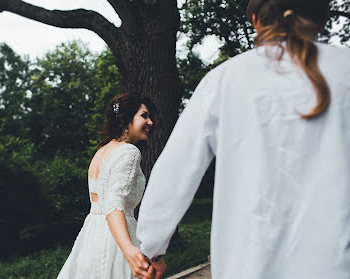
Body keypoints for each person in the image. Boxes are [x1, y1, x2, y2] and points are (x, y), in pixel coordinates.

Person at [136, 0, 350, 278]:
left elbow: (175, 171)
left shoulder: (224, 80)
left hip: (249, 263)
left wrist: (152, 248)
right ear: (322, 19)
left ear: (256, 22)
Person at [56, 93, 156, 279]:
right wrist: (128, 250)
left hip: (91, 237)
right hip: (116, 241)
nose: (150, 122)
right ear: (127, 119)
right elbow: (114, 203)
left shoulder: (102, 151)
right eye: (144, 116)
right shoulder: (129, 152)